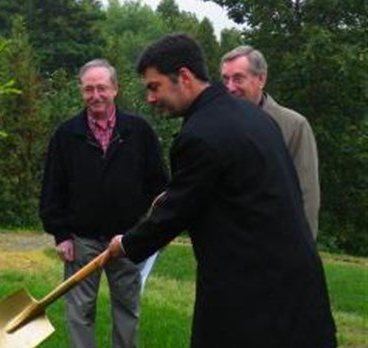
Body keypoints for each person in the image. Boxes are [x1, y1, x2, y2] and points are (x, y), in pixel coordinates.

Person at [107, 34, 337, 348]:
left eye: (154, 86)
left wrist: (126, 244)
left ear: (184, 77)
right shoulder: (254, 117)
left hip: (249, 292)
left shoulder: (200, 135)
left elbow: (175, 214)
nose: (150, 97)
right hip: (298, 286)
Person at [40, 58, 168, 348]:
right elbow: (52, 189)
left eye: (101, 88)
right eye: (88, 89)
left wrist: (146, 230)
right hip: (81, 241)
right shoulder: (66, 134)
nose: (95, 96)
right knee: (79, 312)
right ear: (81, 92)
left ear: (115, 89)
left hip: (126, 240)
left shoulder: (138, 131)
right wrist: (60, 234)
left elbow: (159, 185)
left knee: (127, 309)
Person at [220, 45, 320, 238]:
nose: (230, 87)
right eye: (225, 79)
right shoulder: (214, 124)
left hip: (275, 245)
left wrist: (303, 246)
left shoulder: (293, 126)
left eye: (238, 79)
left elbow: (307, 194)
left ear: (261, 79)